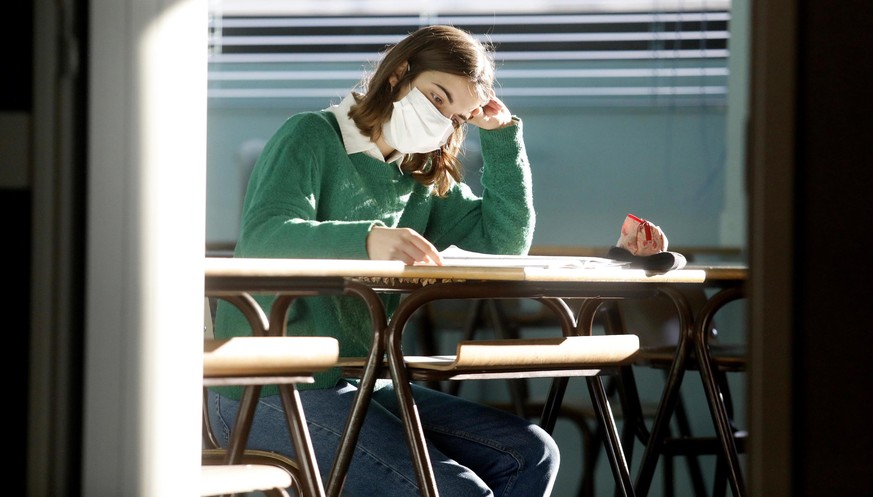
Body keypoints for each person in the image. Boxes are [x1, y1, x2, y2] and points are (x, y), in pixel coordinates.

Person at [210, 25, 558, 496]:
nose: (441, 121)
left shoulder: (419, 174)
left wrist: (500, 138)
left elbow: (503, 243)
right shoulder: (311, 135)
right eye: (437, 97)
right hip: (269, 389)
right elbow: (267, 237)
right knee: (460, 492)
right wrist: (369, 240)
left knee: (530, 453)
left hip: (360, 381)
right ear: (398, 74)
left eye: (456, 115)